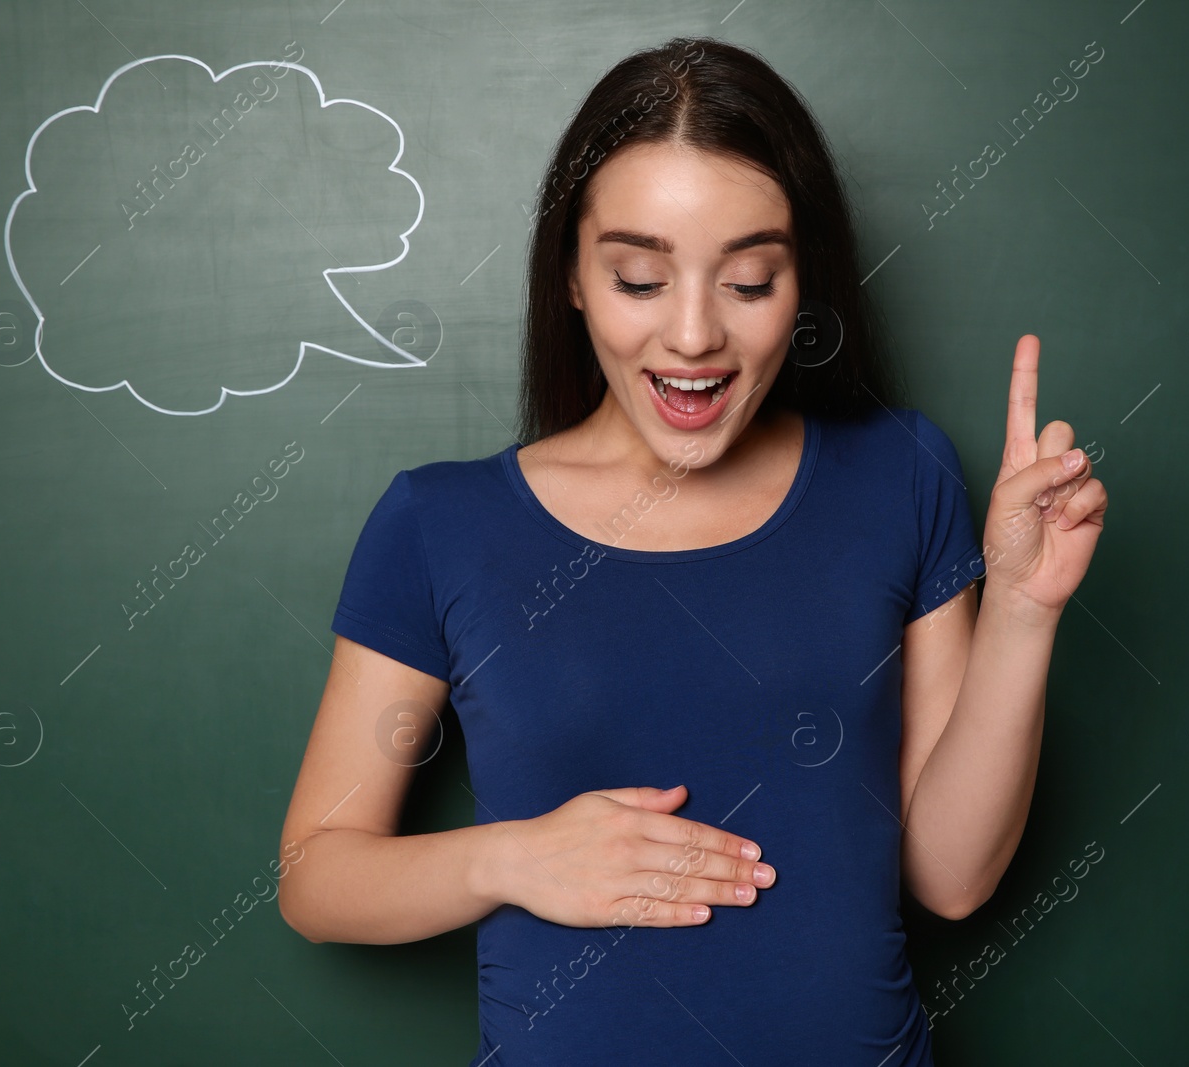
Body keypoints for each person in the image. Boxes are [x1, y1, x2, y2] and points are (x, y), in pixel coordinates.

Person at [277, 35, 1107, 1067]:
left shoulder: (899, 472)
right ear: (574, 278)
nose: (692, 334)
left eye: (749, 282)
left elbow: (951, 875)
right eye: (637, 277)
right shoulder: (441, 523)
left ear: (802, 286)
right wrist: (516, 857)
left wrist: (1023, 612)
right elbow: (317, 876)